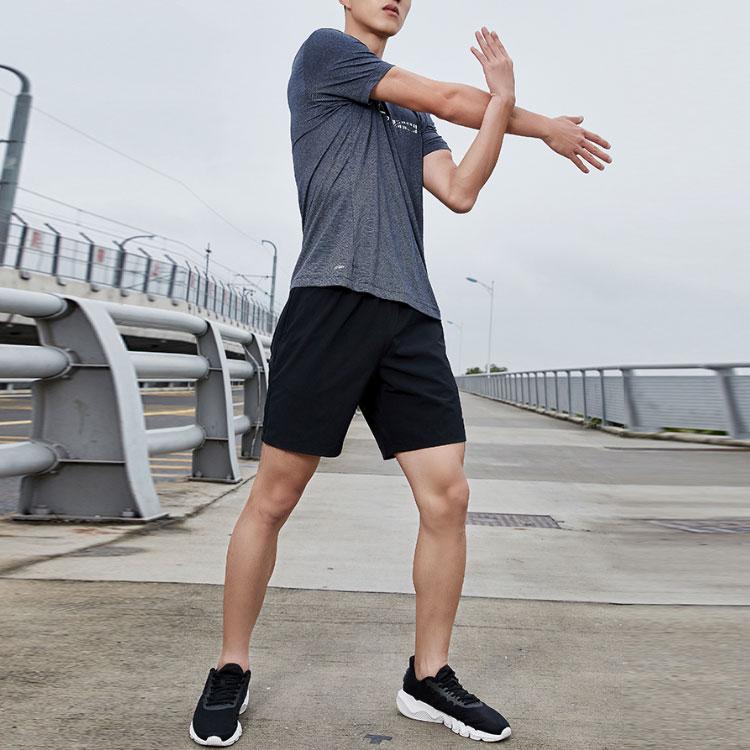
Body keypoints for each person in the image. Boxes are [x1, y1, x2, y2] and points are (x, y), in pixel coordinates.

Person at [189, 0, 611, 745]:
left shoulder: (414, 121)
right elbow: (448, 94)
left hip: (409, 313)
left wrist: (503, 107)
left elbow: (461, 192)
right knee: (276, 497)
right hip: (330, 300)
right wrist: (542, 124)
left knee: (449, 495)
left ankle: (428, 675)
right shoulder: (326, 54)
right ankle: (230, 666)